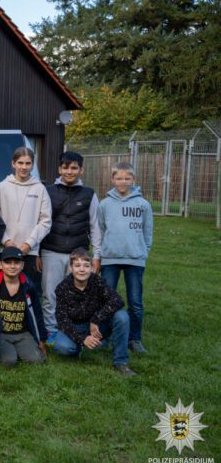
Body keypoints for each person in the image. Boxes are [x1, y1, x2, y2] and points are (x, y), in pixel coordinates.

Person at [39, 151, 101, 344]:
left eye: (74, 168)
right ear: (59, 169)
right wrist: (37, 253)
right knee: (50, 294)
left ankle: (73, 330)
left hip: (77, 254)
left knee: (77, 294)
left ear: (81, 170)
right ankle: (50, 330)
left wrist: (97, 255)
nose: (69, 171)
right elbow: (41, 222)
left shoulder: (89, 194)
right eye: (65, 167)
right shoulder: (48, 191)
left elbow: (95, 226)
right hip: (51, 251)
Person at [53, 247, 137, 377]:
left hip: (97, 326)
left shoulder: (97, 281)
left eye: (86, 266)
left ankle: (121, 362)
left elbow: (117, 300)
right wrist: (82, 339)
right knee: (63, 347)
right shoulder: (62, 288)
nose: (82, 269)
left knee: (122, 316)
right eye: (77, 265)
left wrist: (96, 319)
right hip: (75, 327)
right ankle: (78, 347)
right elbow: (62, 320)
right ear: (70, 268)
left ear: (92, 268)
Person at [98, 162, 153, 354]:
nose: (122, 182)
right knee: (105, 300)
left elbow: (147, 232)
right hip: (110, 259)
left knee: (135, 302)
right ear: (112, 179)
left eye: (127, 178)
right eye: (119, 178)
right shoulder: (104, 204)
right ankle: (104, 337)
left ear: (133, 180)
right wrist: (102, 253)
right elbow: (101, 230)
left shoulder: (143, 205)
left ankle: (134, 339)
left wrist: (143, 252)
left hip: (134, 259)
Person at [0, 147, 51, 296]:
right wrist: (6, 241)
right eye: (20, 163)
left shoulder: (40, 189)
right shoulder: (1, 188)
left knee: (28, 292)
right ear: (13, 163)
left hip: (29, 251)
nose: (24, 167)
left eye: (28, 163)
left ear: (32, 165)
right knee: (5, 292)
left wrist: (29, 244)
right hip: (6, 250)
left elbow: (46, 221)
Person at [0, 247, 46, 367]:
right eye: (8, 262)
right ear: (0, 265)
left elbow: (37, 313)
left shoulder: (29, 286)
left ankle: (21, 349)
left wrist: (42, 340)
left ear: (22, 265)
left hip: (23, 333)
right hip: (1, 334)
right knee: (8, 362)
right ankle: (7, 352)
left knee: (36, 360)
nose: (12, 266)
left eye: (16, 262)